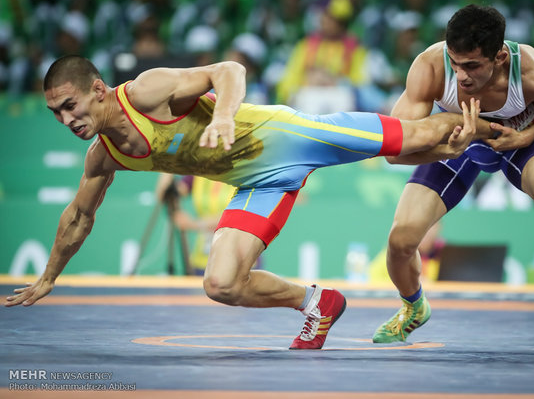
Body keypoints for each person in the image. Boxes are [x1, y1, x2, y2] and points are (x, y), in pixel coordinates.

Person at [4, 55, 493, 351]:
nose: (66, 119)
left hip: (291, 136)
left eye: (70, 106)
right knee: (220, 283)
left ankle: (515, 126)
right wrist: (49, 276)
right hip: (258, 184)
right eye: (55, 113)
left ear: (97, 90)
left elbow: (228, 70)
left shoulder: (146, 92)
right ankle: (319, 303)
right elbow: (79, 217)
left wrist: (225, 116)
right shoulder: (103, 156)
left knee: (424, 135)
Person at [372, 4, 534, 353]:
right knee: (400, 240)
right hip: (457, 143)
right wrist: (446, 151)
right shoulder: (430, 67)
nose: (461, 76)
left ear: (499, 57)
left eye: (471, 66)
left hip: (517, 140)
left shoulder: (533, 71)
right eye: (455, 63)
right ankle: (413, 305)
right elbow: (394, 151)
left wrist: (530, 135)